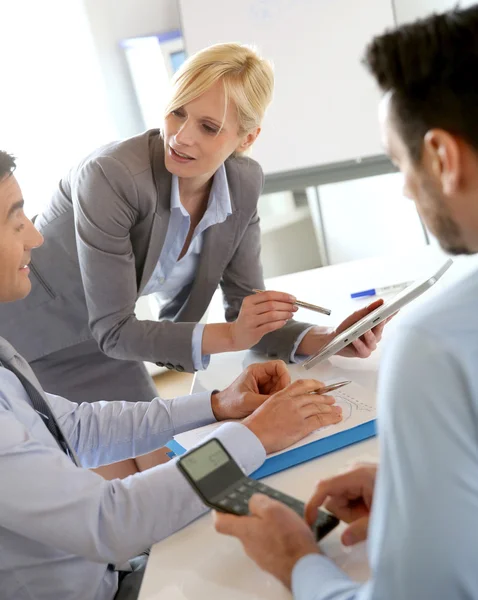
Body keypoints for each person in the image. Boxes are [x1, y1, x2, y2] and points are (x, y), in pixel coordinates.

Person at [214, 5, 478, 599]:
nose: (407, 187)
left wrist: (298, 561)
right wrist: (434, 490)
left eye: (399, 162)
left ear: (441, 157)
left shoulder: (436, 344)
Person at [0, 150, 344, 600]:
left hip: (117, 572)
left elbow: (77, 426)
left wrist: (218, 405)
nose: (35, 237)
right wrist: (254, 436)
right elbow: (111, 521)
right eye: (13, 221)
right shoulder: (112, 179)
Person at [0, 42, 386, 408]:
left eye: (208, 127)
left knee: (151, 455)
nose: (181, 138)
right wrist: (234, 336)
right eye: (177, 112)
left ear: (246, 138)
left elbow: (245, 311)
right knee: (82, 465)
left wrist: (327, 339)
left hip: (115, 339)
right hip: (28, 334)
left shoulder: (242, 184)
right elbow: (117, 330)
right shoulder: (112, 175)